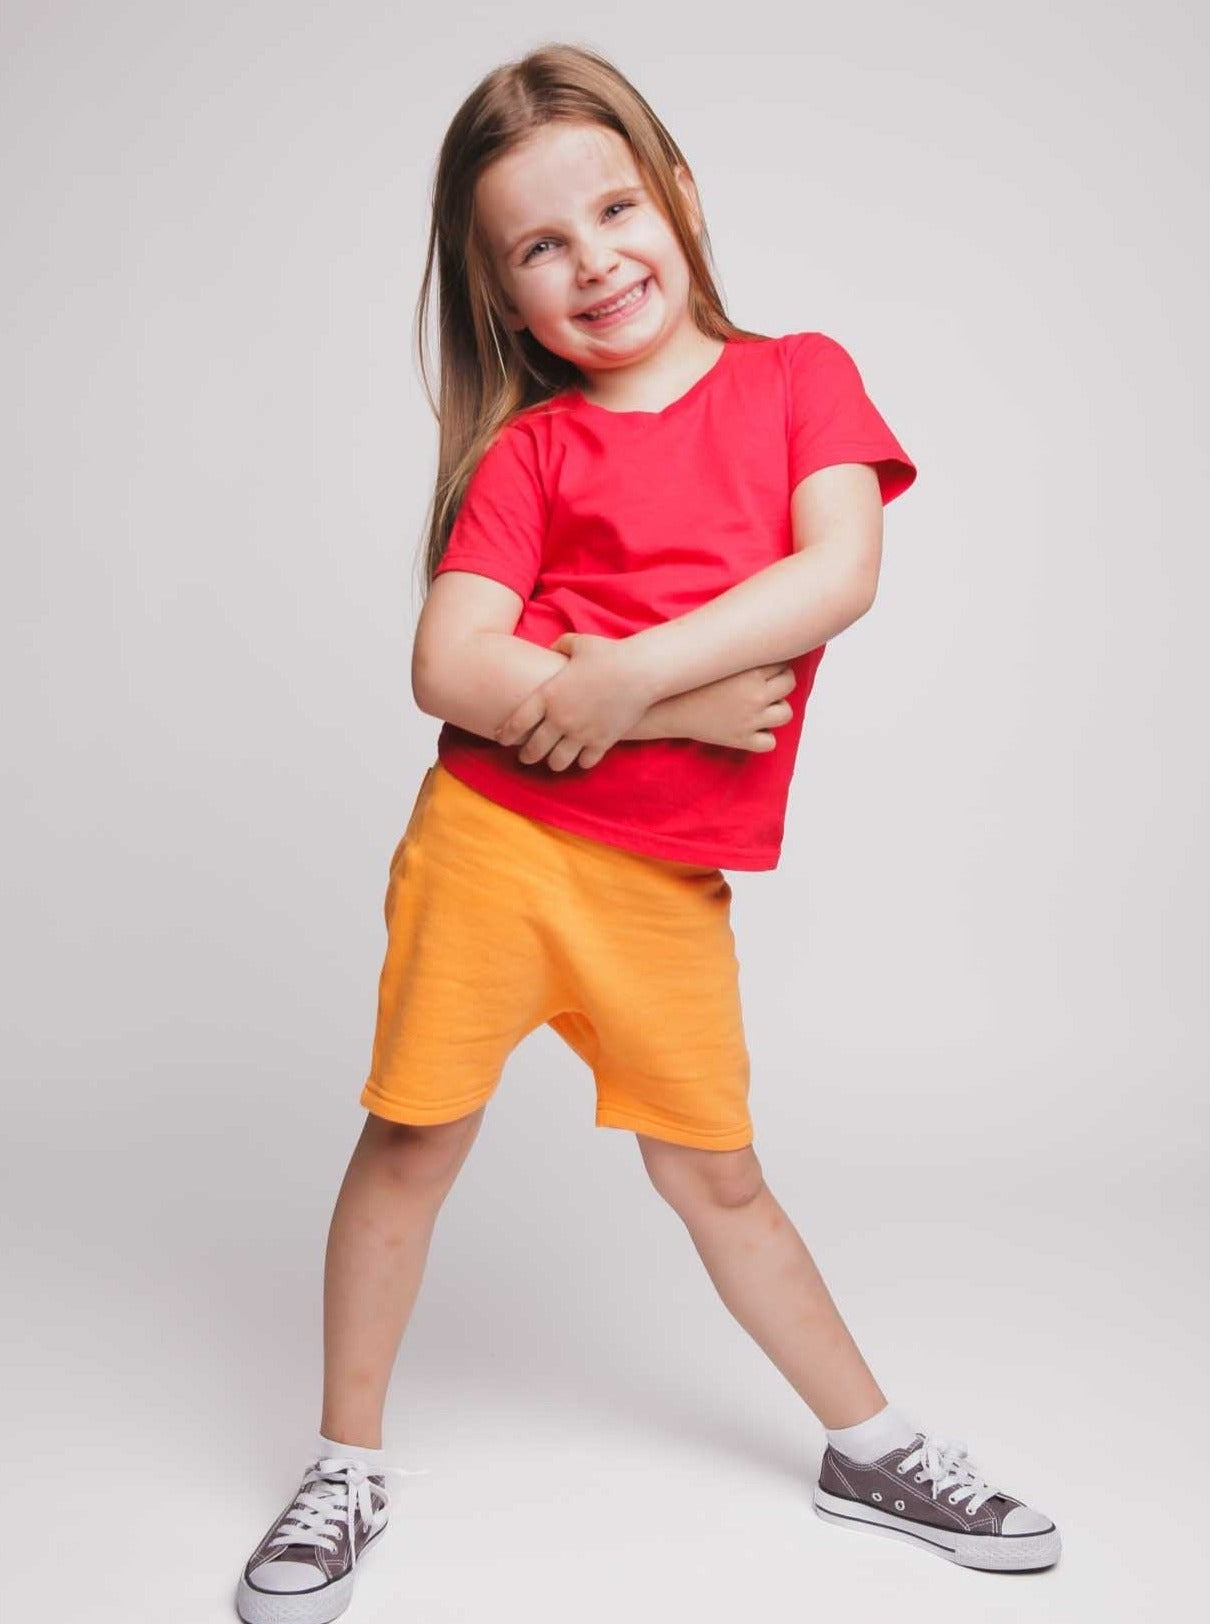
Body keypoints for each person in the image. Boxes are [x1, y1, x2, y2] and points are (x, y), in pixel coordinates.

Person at [235, 40, 1060, 1624]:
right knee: (412, 1141)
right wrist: (660, 707)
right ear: (499, 293)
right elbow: (447, 667)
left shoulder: (796, 376)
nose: (591, 259)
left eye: (612, 209)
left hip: (660, 888)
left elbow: (836, 574)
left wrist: (618, 673)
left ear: (677, 197)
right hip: (491, 844)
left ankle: (869, 1444)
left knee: (720, 1181)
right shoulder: (531, 453)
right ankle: (344, 1462)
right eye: (538, 246)